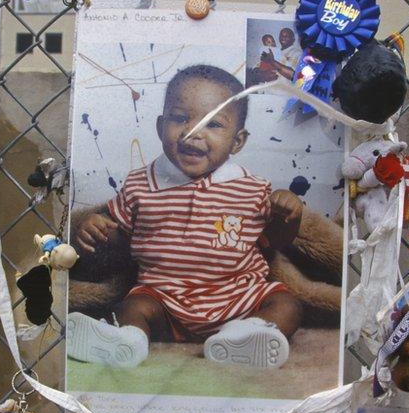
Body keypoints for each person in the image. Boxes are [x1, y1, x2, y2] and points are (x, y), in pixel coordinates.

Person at [70, 64, 303, 369]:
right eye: (180, 119)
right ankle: (129, 342)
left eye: (214, 125)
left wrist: (290, 214)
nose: (193, 133)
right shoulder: (141, 184)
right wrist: (95, 229)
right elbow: (119, 240)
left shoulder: (252, 188)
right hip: (164, 301)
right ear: (159, 126)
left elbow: (275, 242)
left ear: (237, 141)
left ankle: (245, 336)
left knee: (288, 305)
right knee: (132, 305)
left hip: (239, 299)